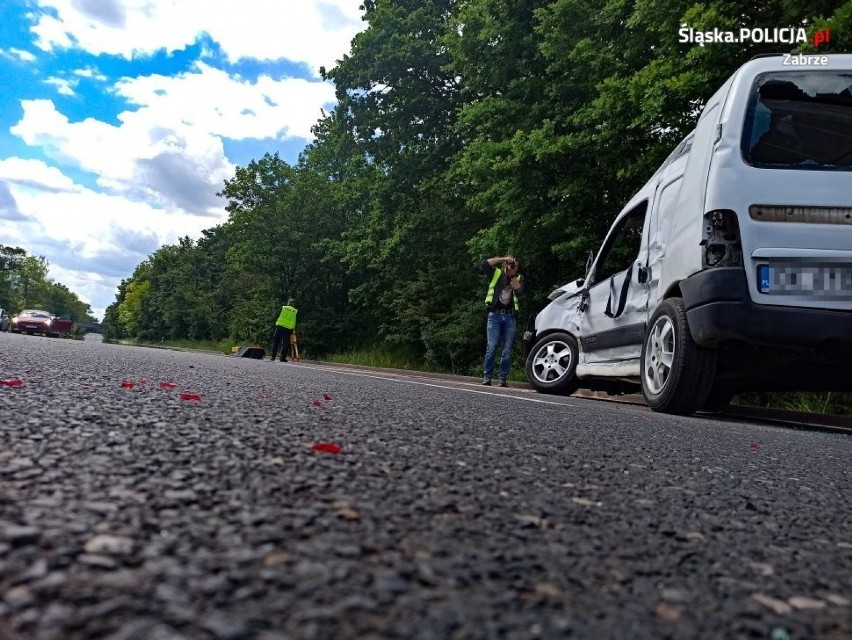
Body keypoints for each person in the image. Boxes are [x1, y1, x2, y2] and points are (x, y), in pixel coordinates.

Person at [481, 255, 524, 387]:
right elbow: (485, 264)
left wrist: (512, 276)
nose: (512, 267)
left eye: (515, 266)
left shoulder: (518, 278)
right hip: (494, 316)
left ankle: (502, 379)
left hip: (510, 317)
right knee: (492, 346)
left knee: (506, 350)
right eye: (511, 265)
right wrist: (503, 259)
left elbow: (520, 292)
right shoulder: (497, 274)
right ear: (505, 265)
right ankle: (487, 377)